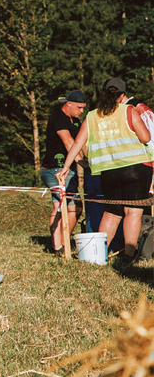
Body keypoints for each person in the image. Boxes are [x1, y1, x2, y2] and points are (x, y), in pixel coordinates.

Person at [57, 78, 153, 263]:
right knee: (132, 212)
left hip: (108, 172)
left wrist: (65, 167)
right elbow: (145, 136)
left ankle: (98, 255)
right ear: (122, 95)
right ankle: (128, 256)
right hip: (136, 168)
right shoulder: (128, 110)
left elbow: (78, 143)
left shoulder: (92, 116)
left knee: (111, 212)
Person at [39, 90, 87, 254]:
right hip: (55, 169)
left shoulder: (75, 120)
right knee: (61, 205)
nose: (82, 111)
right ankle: (58, 246)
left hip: (68, 169)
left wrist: (91, 160)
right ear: (69, 104)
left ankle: (63, 241)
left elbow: (82, 142)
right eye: (79, 107)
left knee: (76, 207)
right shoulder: (58, 117)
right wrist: (84, 164)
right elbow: (69, 142)